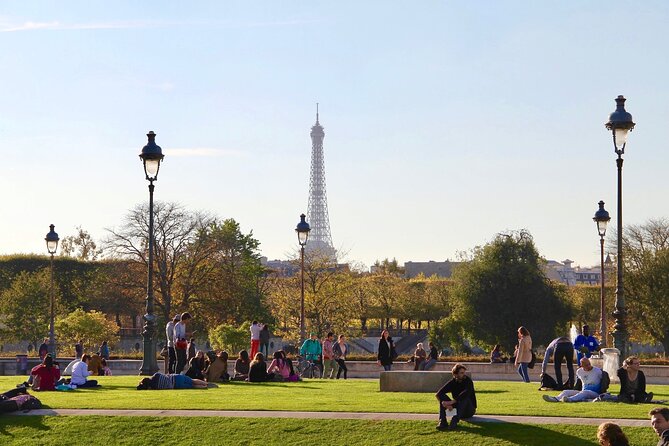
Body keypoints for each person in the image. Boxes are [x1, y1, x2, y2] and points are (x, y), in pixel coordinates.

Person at [435, 363, 477, 431]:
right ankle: (443, 422)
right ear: (455, 374)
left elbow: (466, 393)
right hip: (458, 408)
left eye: (464, 372)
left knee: (464, 398)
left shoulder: (468, 381)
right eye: (461, 373)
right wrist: (446, 405)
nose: (464, 374)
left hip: (468, 410)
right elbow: (438, 394)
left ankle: (454, 421)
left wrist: (452, 402)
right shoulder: (453, 382)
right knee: (442, 399)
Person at [137, 372, 208, 390]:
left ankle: (204, 387)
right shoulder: (156, 375)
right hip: (176, 377)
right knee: (192, 380)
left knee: (192, 386)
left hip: (175, 385)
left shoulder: (154, 387)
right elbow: (166, 375)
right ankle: (206, 383)